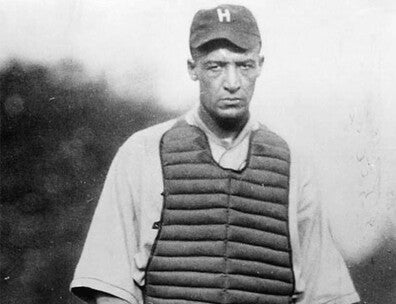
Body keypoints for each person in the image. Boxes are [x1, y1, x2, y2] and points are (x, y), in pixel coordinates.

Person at [70, 4, 360, 304]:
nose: (232, 82)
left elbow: (329, 295)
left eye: (244, 65)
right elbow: (109, 286)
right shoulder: (142, 152)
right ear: (192, 68)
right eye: (216, 66)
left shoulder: (293, 164)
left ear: (260, 65)